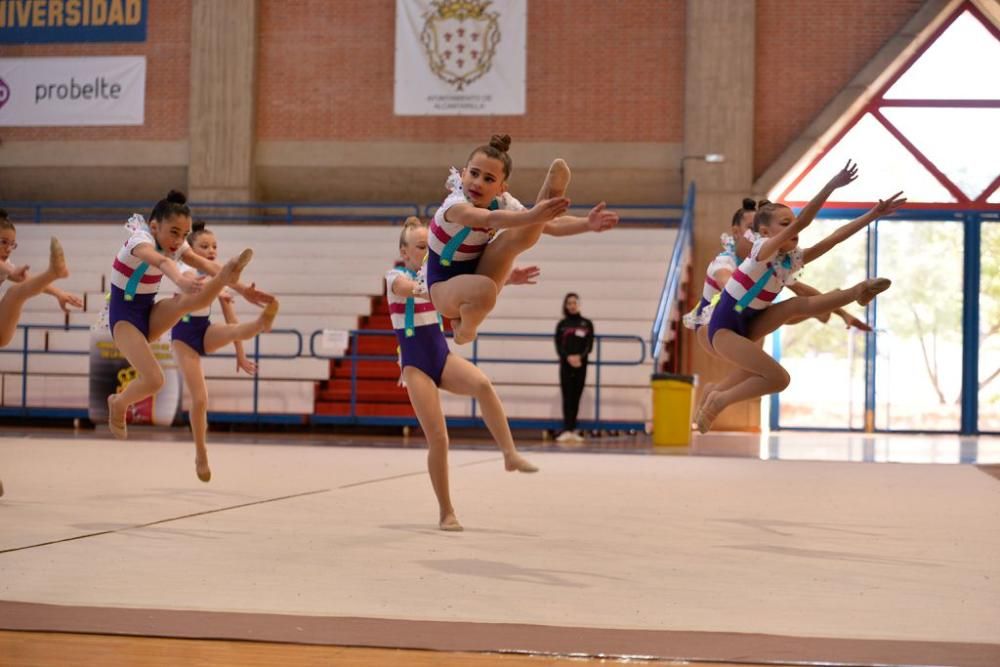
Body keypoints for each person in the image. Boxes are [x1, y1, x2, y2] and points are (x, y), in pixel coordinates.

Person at [696, 180, 906, 433]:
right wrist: (831, 186)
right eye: (785, 224)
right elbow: (802, 222)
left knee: (795, 305)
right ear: (764, 232)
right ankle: (719, 399)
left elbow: (833, 240)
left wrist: (873, 214)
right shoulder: (762, 250)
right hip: (723, 329)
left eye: (791, 223)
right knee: (779, 379)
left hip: (750, 322)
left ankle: (858, 291)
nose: (794, 229)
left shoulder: (788, 261)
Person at [387, 217, 539, 532]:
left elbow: (468, 288)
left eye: (429, 246)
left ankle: (509, 454)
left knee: (483, 384)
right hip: (416, 365)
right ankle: (446, 511)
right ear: (404, 252)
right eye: (419, 247)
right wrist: (433, 289)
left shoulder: (436, 278)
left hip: (441, 357)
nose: (426, 251)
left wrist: (507, 279)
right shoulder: (396, 276)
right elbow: (406, 288)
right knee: (439, 439)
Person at [105, 190, 272, 441]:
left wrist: (242, 288)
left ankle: (233, 268)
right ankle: (118, 403)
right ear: (154, 226)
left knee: (186, 302)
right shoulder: (139, 241)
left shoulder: (176, 242)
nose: (179, 240)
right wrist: (181, 279)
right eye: (174, 232)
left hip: (148, 312)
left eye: (184, 234)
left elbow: (205, 264)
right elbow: (163, 263)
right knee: (155, 380)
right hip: (123, 317)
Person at [427, 134, 619, 344]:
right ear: (463, 174)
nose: (478, 183)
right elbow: (489, 219)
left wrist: (586, 224)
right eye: (474, 173)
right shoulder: (455, 204)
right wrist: (533, 215)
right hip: (443, 289)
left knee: (519, 234)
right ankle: (465, 330)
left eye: (489, 179)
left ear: (502, 188)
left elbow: (550, 225)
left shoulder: (502, 202)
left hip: (480, 272)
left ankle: (550, 193)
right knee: (485, 287)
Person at [170, 221, 280, 482]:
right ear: (191, 249)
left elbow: (230, 317)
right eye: (204, 246)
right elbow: (187, 280)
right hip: (183, 335)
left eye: (214, 246)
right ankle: (201, 454)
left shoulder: (215, 277)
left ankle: (260, 323)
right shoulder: (184, 268)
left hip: (203, 329)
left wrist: (240, 354)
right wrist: (215, 279)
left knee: (234, 330)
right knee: (200, 400)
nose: (210, 250)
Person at [0, 209, 82, 348]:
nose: (8, 249)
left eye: (12, 244)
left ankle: (52, 273)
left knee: (14, 294)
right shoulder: (7, 267)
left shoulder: (6, 265)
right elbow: (10, 271)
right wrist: (12, 270)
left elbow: (26, 280)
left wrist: (59, 294)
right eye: (3, 242)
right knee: (13, 292)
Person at [554, 292, 594, 443]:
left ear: (578, 304)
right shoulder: (562, 325)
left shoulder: (586, 324)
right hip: (566, 365)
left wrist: (579, 357)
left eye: (574, 303)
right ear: (565, 305)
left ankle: (573, 428)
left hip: (581, 365)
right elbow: (558, 346)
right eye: (569, 303)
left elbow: (589, 346)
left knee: (577, 396)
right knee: (567, 395)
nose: (572, 305)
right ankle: (567, 428)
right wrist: (568, 358)